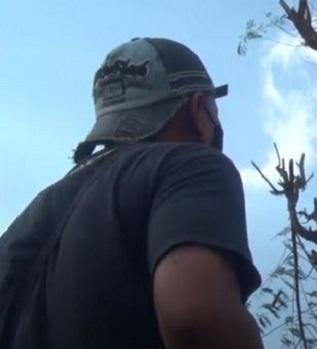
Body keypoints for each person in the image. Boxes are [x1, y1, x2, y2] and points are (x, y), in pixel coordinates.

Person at [0, 38, 263, 349]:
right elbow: (193, 316)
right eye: (214, 110)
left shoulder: (23, 224)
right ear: (198, 110)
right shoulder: (190, 166)